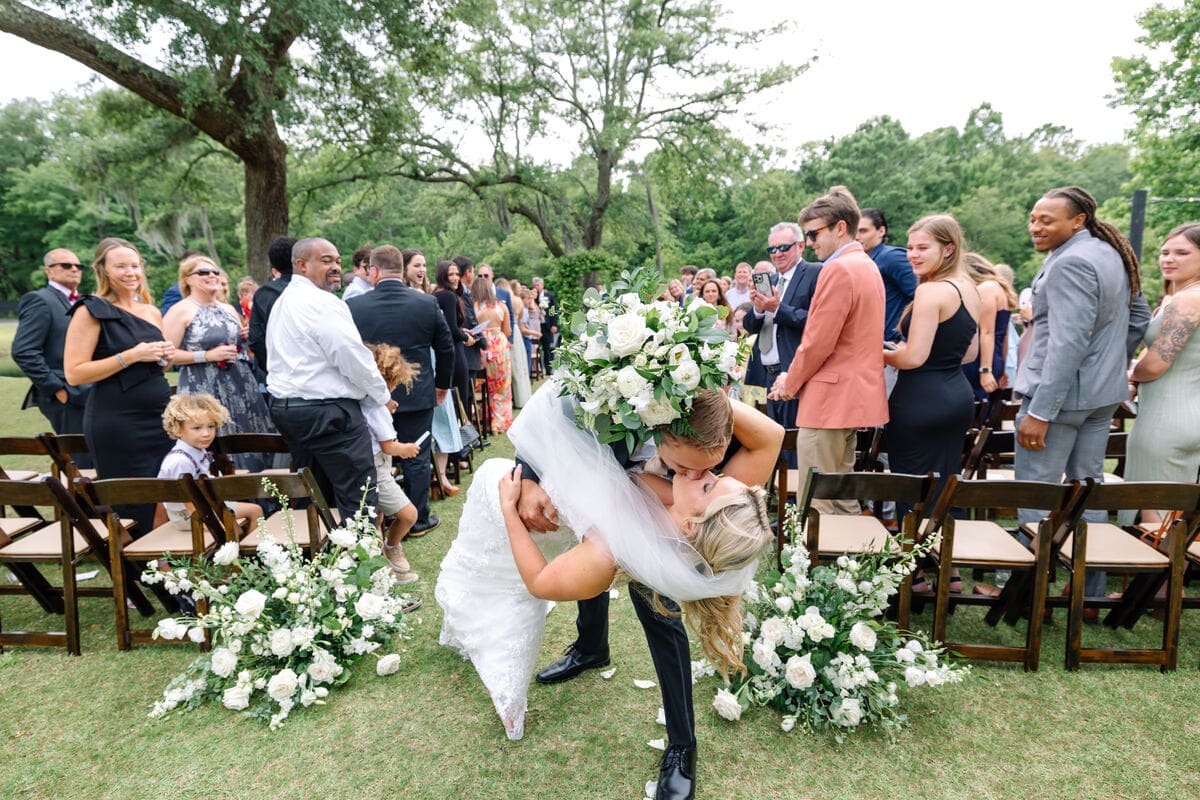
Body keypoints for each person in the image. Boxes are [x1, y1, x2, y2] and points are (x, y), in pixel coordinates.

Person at [437, 383, 779, 773]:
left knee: (660, 616)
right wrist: (686, 389)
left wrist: (507, 509)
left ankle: (683, 747)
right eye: (708, 473)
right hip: (577, 488)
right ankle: (591, 646)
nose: (709, 474)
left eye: (707, 479)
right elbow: (771, 436)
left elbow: (542, 580)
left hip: (567, 523)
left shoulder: (622, 547)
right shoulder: (726, 498)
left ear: (689, 525)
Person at [1015, 186, 1149, 605]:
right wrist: (1108, 363)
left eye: (1046, 220)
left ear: (1078, 221)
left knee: (1035, 495)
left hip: (1057, 401)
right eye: (1034, 218)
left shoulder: (1071, 261)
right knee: (1087, 491)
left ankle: (1022, 594)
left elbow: (1068, 343)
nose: (1036, 226)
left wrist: (1041, 411)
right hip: (1100, 397)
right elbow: (1139, 316)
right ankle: (1089, 594)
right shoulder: (1110, 253)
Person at [769, 187, 888, 514]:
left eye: (813, 233)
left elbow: (818, 341)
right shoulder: (865, 264)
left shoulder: (839, 269)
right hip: (851, 398)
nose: (809, 243)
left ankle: (818, 565)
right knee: (842, 493)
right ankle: (854, 564)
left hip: (829, 401)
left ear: (839, 227)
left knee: (818, 500)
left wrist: (789, 383)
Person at [265, 237, 391, 522]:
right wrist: (382, 396)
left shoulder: (282, 302)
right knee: (358, 497)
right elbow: (351, 357)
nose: (335, 267)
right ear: (301, 265)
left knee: (314, 495)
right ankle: (363, 563)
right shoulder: (322, 303)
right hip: (329, 413)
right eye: (325, 261)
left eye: (337, 261)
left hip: (288, 411)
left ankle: (320, 562)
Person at [64, 237, 175, 534]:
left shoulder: (151, 311)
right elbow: (74, 373)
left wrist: (165, 358)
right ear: (103, 270)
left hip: (160, 419)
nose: (131, 272)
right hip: (118, 422)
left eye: (135, 266)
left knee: (168, 494)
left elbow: (157, 365)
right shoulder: (91, 310)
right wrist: (131, 355)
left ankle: (170, 566)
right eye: (121, 266)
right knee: (135, 500)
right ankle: (141, 568)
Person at [348, 246, 455, 537]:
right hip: (417, 392)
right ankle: (418, 519)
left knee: (374, 457)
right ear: (401, 268)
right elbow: (445, 348)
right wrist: (442, 385)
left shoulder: (354, 308)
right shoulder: (426, 303)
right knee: (417, 457)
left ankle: (378, 520)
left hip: (371, 398)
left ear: (374, 271)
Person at [883, 215, 980, 536]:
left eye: (923, 247)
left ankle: (915, 574)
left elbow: (913, 357)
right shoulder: (969, 288)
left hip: (919, 402)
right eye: (910, 247)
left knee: (911, 489)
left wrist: (875, 351)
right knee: (944, 486)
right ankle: (943, 567)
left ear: (949, 249)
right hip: (957, 397)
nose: (913, 254)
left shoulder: (931, 292)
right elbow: (969, 353)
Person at [163, 255, 276, 471]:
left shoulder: (228, 309)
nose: (212, 276)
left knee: (249, 438)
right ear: (187, 279)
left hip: (241, 385)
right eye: (203, 272)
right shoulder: (180, 310)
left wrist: (246, 335)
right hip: (203, 388)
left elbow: (243, 347)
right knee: (215, 444)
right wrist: (205, 356)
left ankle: (260, 498)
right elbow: (166, 357)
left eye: (215, 271)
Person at [1125, 223, 1200, 495]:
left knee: (1153, 516)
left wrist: (1130, 376)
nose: (1169, 259)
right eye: (1165, 252)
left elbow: (1156, 364)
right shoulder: (1177, 298)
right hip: (1190, 412)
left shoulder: (1188, 300)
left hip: (1167, 418)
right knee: (1178, 518)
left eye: (1182, 253)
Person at [13, 248, 94, 462]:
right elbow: (24, 351)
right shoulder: (39, 300)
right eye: (66, 265)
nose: (74, 269)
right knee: (81, 457)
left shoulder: (84, 301)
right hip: (65, 394)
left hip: (89, 390)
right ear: (49, 271)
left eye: (78, 266)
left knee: (95, 453)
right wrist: (56, 388)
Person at [744, 222, 822, 435]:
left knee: (794, 443)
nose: (777, 254)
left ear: (800, 246)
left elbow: (817, 321)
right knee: (774, 442)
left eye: (783, 248)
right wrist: (759, 309)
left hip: (794, 371)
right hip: (767, 374)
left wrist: (778, 309)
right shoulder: (772, 280)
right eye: (772, 249)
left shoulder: (816, 272)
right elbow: (749, 325)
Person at [158, 393, 261, 533]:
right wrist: (216, 526)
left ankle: (249, 550)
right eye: (197, 428)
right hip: (188, 516)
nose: (206, 433)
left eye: (211, 426)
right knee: (252, 514)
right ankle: (252, 552)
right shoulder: (180, 462)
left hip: (204, 506)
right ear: (178, 430)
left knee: (251, 512)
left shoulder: (195, 450)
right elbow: (189, 503)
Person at [363, 344, 422, 583]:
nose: (396, 387)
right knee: (409, 514)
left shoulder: (371, 403)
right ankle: (392, 546)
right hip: (378, 468)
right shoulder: (376, 408)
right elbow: (388, 446)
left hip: (378, 465)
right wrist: (406, 449)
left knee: (376, 517)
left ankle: (386, 563)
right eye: (395, 382)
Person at [960, 252, 1017, 403]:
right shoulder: (999, 289)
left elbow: (986, 332)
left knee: (975, 410)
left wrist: (985, 370)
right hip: (993, 358)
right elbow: (1004, 336)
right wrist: (1001, 367)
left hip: (980, 361)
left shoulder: (986, 288)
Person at [858, 208, 918, 344]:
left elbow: (922, 299)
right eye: (854, 231)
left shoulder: (891, 257)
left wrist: (905, 340)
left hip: (892, 346)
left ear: (881, 231)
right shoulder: (861, 260)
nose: (857, 236)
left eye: (863, 231)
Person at [247, 236, 297, 385]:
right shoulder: (316, 291)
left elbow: (256, 338)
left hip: (278, 374)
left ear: (272, 265)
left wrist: (271, 367)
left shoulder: (264, 294)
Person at [433, 259, 477, 429]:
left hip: (446, 349)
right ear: (442, 275)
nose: (455, 278)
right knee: (461, 396)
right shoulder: (449, 296)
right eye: (450, 274)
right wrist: (467, 338)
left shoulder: (437, 294)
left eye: (457, 274)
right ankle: (463, 441)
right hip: (455, 351)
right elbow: (451, 328)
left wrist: (462, 331)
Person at [495, 276, 531, 407]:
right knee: (519, 365)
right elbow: (521, 317)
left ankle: (510, 398)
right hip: (516, 331)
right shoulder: (518, 300)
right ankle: (521, 397)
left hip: (506, 331)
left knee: (510, 366)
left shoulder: (500, 302)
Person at [532, 276, 558, 373]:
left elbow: (554, 311)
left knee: (548, 347)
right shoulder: (533, 297)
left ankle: (549, 369)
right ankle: (538, 368)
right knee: (536, 347)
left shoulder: (549, 295)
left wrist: (554, 324)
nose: (536, 287)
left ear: (542, 285)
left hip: (547, 326)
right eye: (535, 285)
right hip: (536, 326)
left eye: (538, 285)